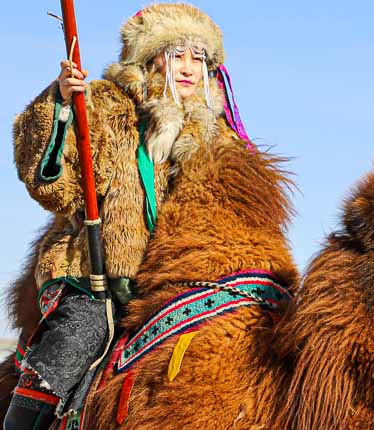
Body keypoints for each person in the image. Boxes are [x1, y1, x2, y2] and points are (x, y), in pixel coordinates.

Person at [5, 4, 250, 428]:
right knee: (81, 333)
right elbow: (52, 187)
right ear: (151, 56)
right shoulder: (103, 107)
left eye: (199, 57)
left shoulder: (220, 136)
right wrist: (62, 105)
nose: (190, 67)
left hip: (173, 285)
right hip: (92, 274)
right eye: (178, 53)